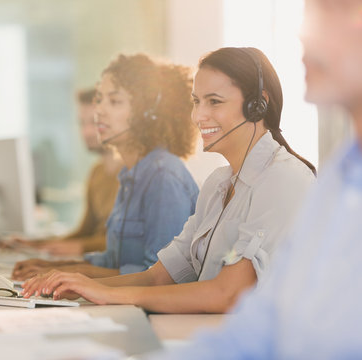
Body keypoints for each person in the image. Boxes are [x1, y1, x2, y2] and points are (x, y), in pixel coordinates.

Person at [21, 47, 316, 315]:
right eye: (197, 102)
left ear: (258, 105)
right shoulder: (218, 184)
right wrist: (80, 284)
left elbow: (226, 294)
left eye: (214, 102)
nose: (199, 116)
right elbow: (157, 276)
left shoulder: (283, 178)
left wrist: (107, 293)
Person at [147, 0, 362, 357]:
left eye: (336, 9)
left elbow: (231, 297)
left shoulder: (291, 179)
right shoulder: (337, 180)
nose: (304, 33)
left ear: (256, 105)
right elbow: (261, 327)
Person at [12, 54, 200, 280]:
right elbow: (114, 261)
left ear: (148, 113)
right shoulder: (131, 175)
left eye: (115, 101)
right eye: (100, 99)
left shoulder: (163, 178)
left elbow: (159, 278)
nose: (99, 111)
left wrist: (76, 274)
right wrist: (57, 266)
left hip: (151, 314)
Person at [13, 89, 122, 257]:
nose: (86, 132)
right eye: (81, 123)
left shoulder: (134, 174)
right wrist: (35, 245)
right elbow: (84, 232)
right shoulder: (97, 172)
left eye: (94, 123)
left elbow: (128, 242)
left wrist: (80, 247)